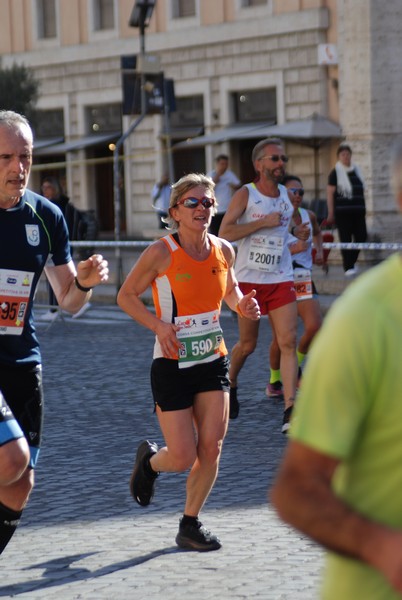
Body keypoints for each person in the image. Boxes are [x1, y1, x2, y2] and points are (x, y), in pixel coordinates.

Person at [270, 139, 402, 599]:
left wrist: (315, 246)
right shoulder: (368, 319)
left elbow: (313, 242)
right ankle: (283, 388)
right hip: (373, 590)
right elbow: (294, 490)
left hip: (299, 278)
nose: (299, 197)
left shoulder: (303, 216)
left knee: (291, 337)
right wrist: (385, 548)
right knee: (285, 339)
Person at [117, 173, 260, 552]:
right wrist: (158, 325)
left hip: (212, 357)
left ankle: (190, 523)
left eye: (208, 202)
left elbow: (230, 290)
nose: (201, 209)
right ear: (175, 211)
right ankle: (149, 464)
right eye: (192, 203)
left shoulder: (224, 250)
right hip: (171, 362)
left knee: (211, 448)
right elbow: (126, 296)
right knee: (182, 455)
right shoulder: (162, 252)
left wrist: (242, 304)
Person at [0, 110, 109, 556]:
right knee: (12, 458)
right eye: (5, 156)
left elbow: (67, 299)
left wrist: (83, 281)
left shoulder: (46, 216)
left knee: (20, 484)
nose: (17, 167)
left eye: (24, 156)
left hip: (24, 364)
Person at [219, 138, 309, 432]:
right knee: (248, 345)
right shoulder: (246, 194)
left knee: (287, 341)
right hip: (248, 282)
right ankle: (230, 383)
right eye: (274, 159)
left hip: (281, 277)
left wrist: (300, 238)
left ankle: (290, 409)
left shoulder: (286, 195)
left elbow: (285, 237)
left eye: (283, 158)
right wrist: (261, 223)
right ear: (259, 164)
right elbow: (225, 232)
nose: (281, 163)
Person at [267, 175, 323, 398]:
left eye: (301, 192)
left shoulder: (309, 216)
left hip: (303, 276)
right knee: (280, 338)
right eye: (293, 192)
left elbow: (317, 232)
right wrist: (292, 249)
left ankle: (296, 369)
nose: (297, 196)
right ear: (283, 193)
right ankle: (274, 381)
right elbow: (267, 250)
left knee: (314, 326)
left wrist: (318, 252)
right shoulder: (276, 219)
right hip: (281, 277)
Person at [326, 143, 367, 276]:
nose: (346, 157)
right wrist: (331, 213)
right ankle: (348, 266)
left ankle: (352, 261)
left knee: (362, 236)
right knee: (346, 239)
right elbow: (330, 193)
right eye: (343, 154)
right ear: (339, 157)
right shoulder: (335, 173)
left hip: (358, 212)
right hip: (343, 213)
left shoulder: (357, 170)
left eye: (348, 154)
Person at [207, 154, 241, 236]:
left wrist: (234, 186)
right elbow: (205, 190)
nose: (224, 166)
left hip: (227, 210)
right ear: (217, 164)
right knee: (214, 234)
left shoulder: (229, 174)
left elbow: (239, 186)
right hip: (214, 210)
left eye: (226, 164)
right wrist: (214, 181)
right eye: (222, 164)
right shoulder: (211, 175)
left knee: (227, 233)